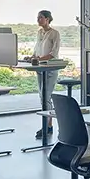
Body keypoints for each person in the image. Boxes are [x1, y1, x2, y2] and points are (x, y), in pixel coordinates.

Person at [30, 10, 61, 140]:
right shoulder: (39, 33)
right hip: (40, 68)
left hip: (50, 68)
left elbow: (53, 53)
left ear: (47, 19)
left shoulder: (55, 34)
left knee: (46, 97)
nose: (38, 20)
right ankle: (47, 125)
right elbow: (37, 49)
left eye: (41, 18)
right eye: (37, 17)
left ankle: (47, 126)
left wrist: (39, 59)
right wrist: (32, 57)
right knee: (42, 96)